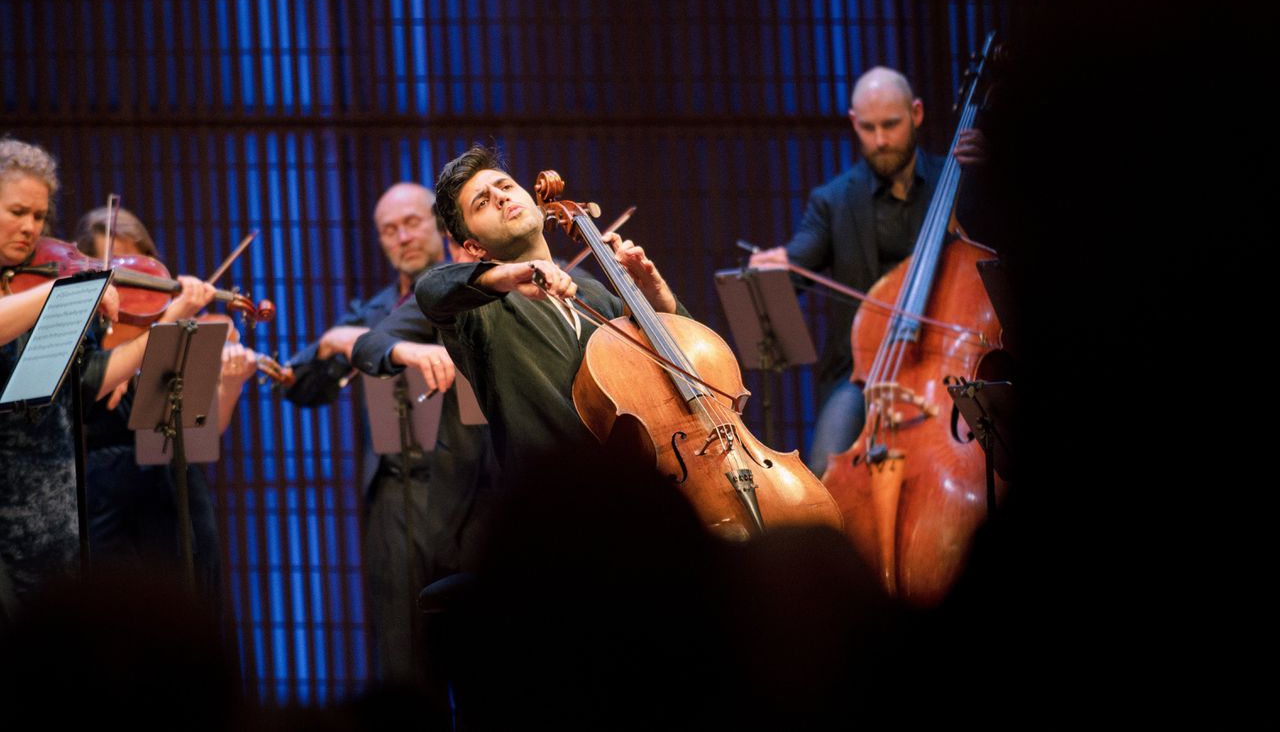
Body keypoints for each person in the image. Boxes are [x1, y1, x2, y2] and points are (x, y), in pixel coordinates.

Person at [749, 67, 983, 477]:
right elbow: (796, 265)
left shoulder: (958, 181)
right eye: (869, 128)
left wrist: (990, 180)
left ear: (917, 113)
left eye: (891, 125)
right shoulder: (833, 201)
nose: (880, 140)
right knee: (826, 469)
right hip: (862, 377)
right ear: (854, 123)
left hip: (948, 368)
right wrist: (775, 266)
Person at [283, 182, 461, 688]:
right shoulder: (372, 313)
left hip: (471, 486)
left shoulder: (468, 291)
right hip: (395, 495)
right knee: (404, 660)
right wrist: (330, 344)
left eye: (412, 223)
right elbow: (302, 388)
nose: (402, 237)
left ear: (440, 225)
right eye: (389, 230)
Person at [417, 144, 683, 473]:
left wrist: (656, 295)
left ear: (533, 201)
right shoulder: (478, 311)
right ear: (474, 246)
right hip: (556, 505)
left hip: (637, 483)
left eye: (505, 186)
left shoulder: (595, 294)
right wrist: (511, 275)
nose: (500, 197)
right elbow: (431, 289)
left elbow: (684, 362)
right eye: (482, 203)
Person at [0, 140, 172, 611]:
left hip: (54, 499)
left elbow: (88, 381)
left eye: (38, 216)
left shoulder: (41, 277)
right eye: (17, 212)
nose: (30, 228)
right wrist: (64, 291)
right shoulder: (45, 290)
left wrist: (156, 334)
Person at [72, 206, 258, 599]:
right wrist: (171, 319)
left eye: (137, 268)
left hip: (175, 485)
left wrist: (231, 386)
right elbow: (86, 392)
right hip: (107, 497)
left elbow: (202, 431)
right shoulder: (84, 338)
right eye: (117, 271)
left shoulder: (169, 326)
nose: (129, 284)